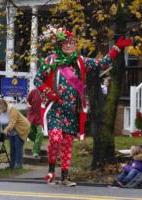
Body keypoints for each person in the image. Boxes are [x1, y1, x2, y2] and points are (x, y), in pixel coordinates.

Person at [34, 25, 132, 186]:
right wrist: (49, 93)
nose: (69, 45)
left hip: (72, 111)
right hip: (56, 109)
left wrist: (116, 48)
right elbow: (38, 80)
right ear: (60, 45)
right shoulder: (51, 60)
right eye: (65, 42)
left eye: (72, 42)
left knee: (66, 145)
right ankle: (51, 169)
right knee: (55, 138)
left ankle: (64, 177)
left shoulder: (80, 61)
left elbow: (102, 63)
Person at [0, 98, 30, 169]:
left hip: (20, 129)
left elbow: (13, 122)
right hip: (12, 131)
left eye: (0, 107)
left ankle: (18, 164)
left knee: (18, 147)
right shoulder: (0, 111)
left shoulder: (12, 109)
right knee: (12, 148)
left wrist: (6, 129)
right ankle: (12, 164)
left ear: (3, 105)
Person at [27, 88, 43, 158]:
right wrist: (28, 105)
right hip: (32, 115)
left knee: (40, 133)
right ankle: (37, 142)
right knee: (28, 132)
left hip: (41, 117)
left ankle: (35, 152)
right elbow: (28, 101)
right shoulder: (33, 91)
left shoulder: (47, 92)